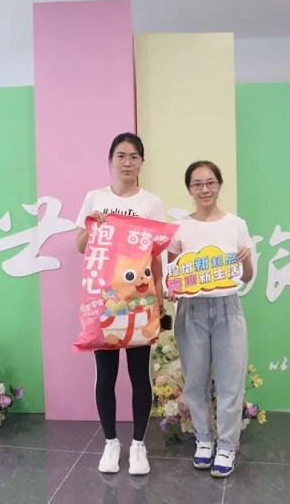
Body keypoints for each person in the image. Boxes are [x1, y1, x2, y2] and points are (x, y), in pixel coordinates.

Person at [76, 132, 165, 476]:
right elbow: (80, 246)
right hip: (104, 303)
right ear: (110, 160)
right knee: (106, 375)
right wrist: (92, 226)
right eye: (121, 156)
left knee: (140, 375)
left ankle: (138, 446)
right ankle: (111, 443)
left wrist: (159, 299)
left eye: (134, 157)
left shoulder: (151, 203)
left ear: (142, 162)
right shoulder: (94, 198)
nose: (127, 163)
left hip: (140, 303)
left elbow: (155, 256)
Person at [166, 160, 254, 478]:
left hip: (228, 307)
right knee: (195, 381)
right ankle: (204, 440)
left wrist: (245, 260)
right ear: (189, 189)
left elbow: (247, 275)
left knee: (231, 381)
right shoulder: (180, 228)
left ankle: (227, 446)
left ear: (219, 185)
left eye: (210, 183)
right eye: (197, 184)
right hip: (192, 311)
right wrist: (171, 290)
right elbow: (172, 276)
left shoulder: (236, 225)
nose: (205, 189)